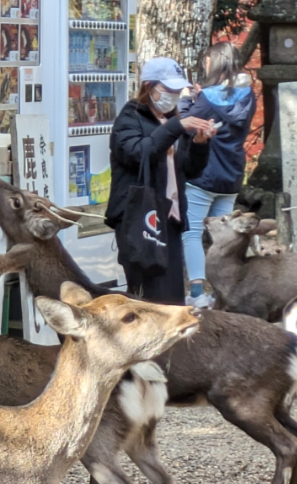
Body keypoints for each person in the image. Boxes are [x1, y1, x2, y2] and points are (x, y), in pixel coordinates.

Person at [105, 57, 216, 304]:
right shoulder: (129, 118)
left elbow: (190, 170)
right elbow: (139, 153)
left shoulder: (172, 121)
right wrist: (176, 127)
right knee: (149, 296)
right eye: (169, 90)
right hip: (139, 217)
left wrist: (200, 143)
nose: (175, 95)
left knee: (173, 296)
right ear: (149, 86)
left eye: (178, 91)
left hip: (170, 218)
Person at [178, 42, 256, 308]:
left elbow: (189, 125)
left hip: (204, 174)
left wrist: (187, 100)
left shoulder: (207, 97)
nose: (206, 65)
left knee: (191, 232)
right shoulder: (248, 95)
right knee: (225, 235)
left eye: (208, 61)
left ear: (216, 62)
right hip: (232, 174)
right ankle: (226, 292)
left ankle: (198, 293)